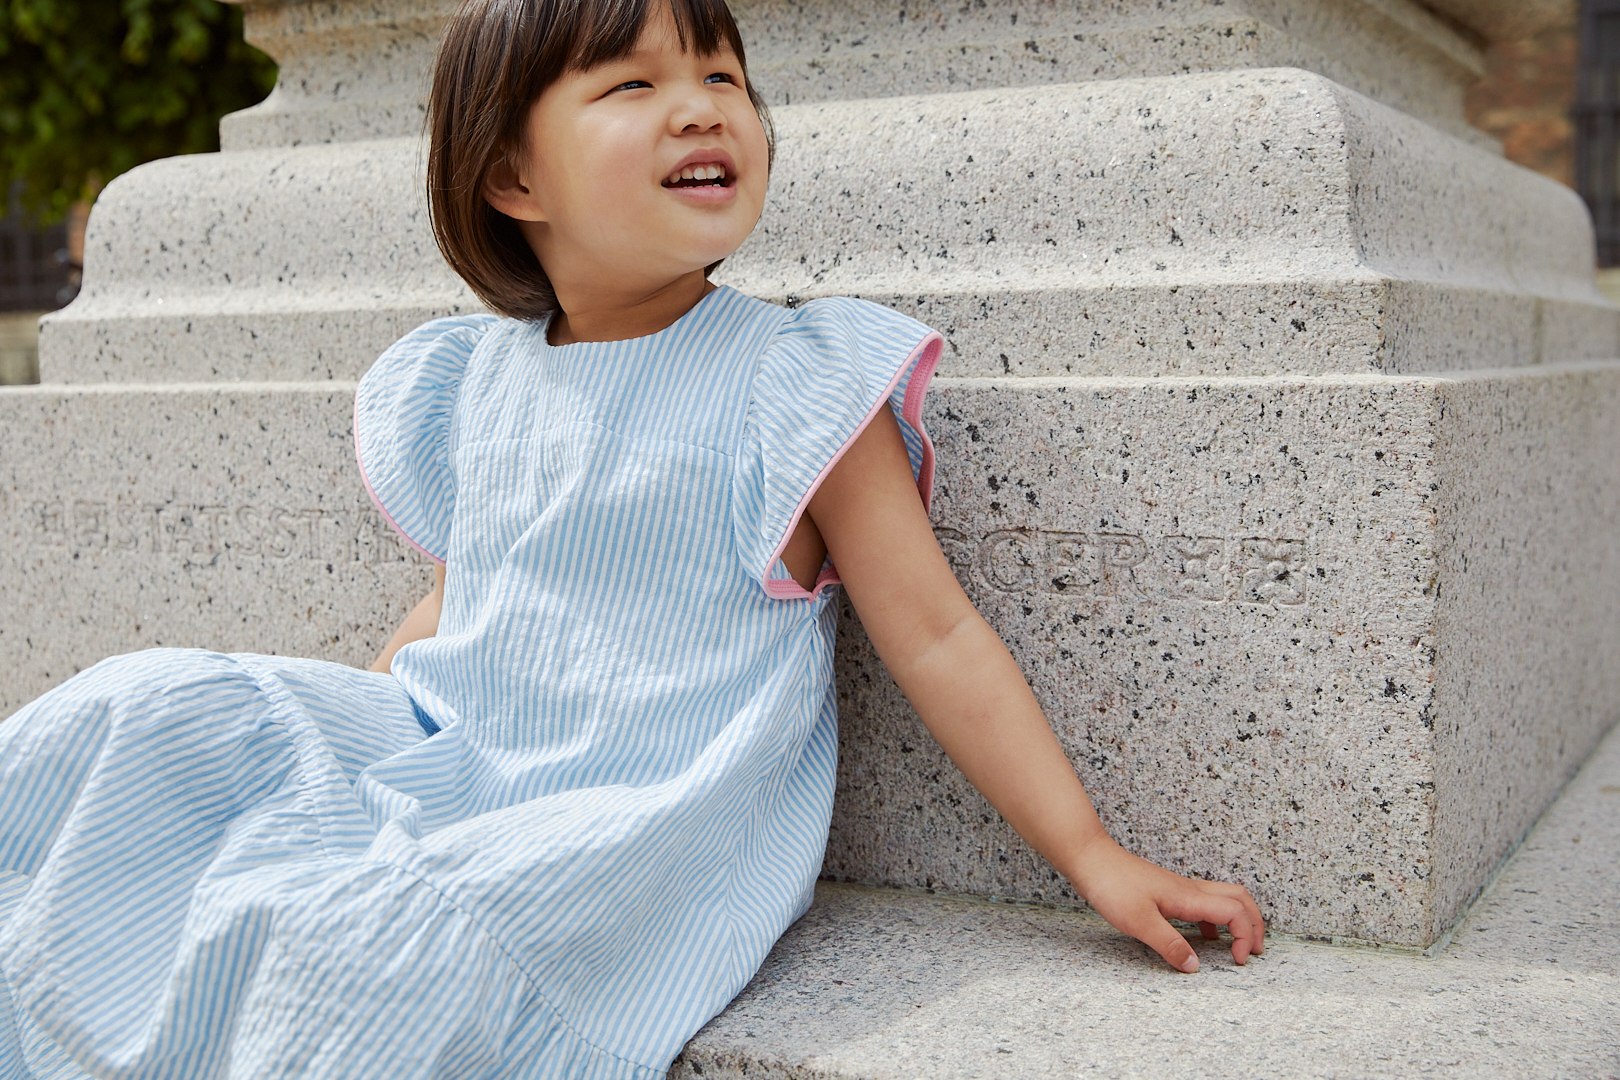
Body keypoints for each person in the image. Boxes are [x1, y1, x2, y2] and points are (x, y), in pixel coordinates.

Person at [0, 0, 1265, 1074]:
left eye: (724, 75)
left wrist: (1091, 854)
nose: (705, 105)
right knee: (140, 705)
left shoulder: (794, 377)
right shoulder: (469, 380)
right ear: (514, 179)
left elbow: (934, 633)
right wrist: (347, 761)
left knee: (383, 936)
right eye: (635, 83)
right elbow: (464, 606)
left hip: (626, 806)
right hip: (460, 745)